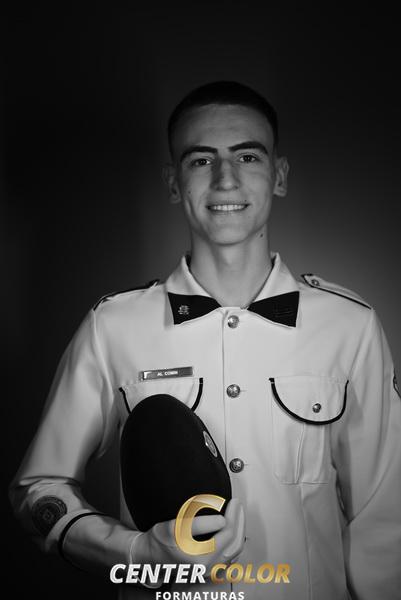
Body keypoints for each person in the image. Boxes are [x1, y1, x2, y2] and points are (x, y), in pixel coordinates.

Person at [9, 81, 401, 600]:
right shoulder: (113, 326)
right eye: (201, 160)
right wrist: (135, 555)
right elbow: (39, 490)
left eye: (247, 156)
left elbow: (385, 519)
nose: (225, 179)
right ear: (174, 183)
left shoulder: (350, 326)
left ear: (279, 176)